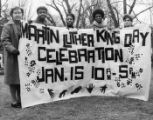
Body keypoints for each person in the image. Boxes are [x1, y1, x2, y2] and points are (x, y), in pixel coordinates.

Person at [1, 6, 23, 108]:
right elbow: (5, 40)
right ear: (12, 15)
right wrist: (12, 49)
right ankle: (14, 101)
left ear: (22, 14)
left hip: (23, 57)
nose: (18, 14)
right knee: (12, 80)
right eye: (15, 13)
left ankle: (20, 99)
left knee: (21, 79)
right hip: (12, 56)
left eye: (19, 12)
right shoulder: (7, 26)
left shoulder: (25, 25)